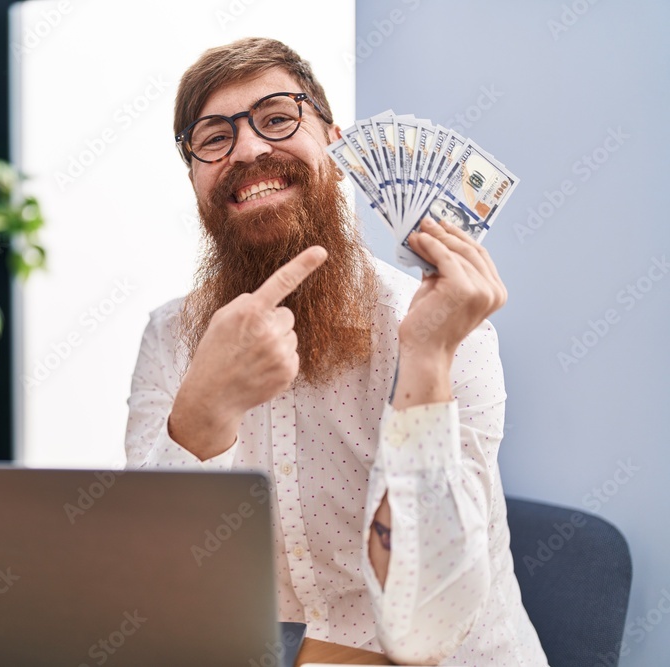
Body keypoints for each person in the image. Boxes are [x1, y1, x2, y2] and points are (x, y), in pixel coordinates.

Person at [123, 37, 547, 665]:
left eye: (277, 118)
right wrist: (203, 416)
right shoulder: (170, 337)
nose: (249, 149)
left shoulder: (452, 333)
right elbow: (155, 595)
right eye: (213, 138)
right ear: (193, 177)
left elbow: (422, 629)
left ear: (337, 146)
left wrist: (426, 362)